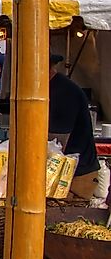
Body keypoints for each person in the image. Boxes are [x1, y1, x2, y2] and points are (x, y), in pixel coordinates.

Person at [49, 54, 100, 199]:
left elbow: (56, 145)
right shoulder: (52, 89)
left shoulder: (63, 92)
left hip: (75, 176)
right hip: (65, 172)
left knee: (65, 219)